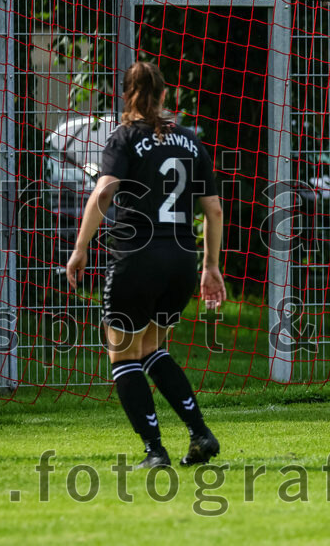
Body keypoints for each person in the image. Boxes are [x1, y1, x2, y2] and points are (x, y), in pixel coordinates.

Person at [67, 61, 226, 468]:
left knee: (122, 354)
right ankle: (200, 433)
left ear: (127, 94)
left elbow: (104, 192)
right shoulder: (190, 140)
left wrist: (81, 246)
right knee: (153, 347)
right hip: (180, 260)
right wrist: (211, 266)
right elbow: (213, 209)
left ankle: (155, 451)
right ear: (163, 94)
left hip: (137, 256)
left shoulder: (124, 137)